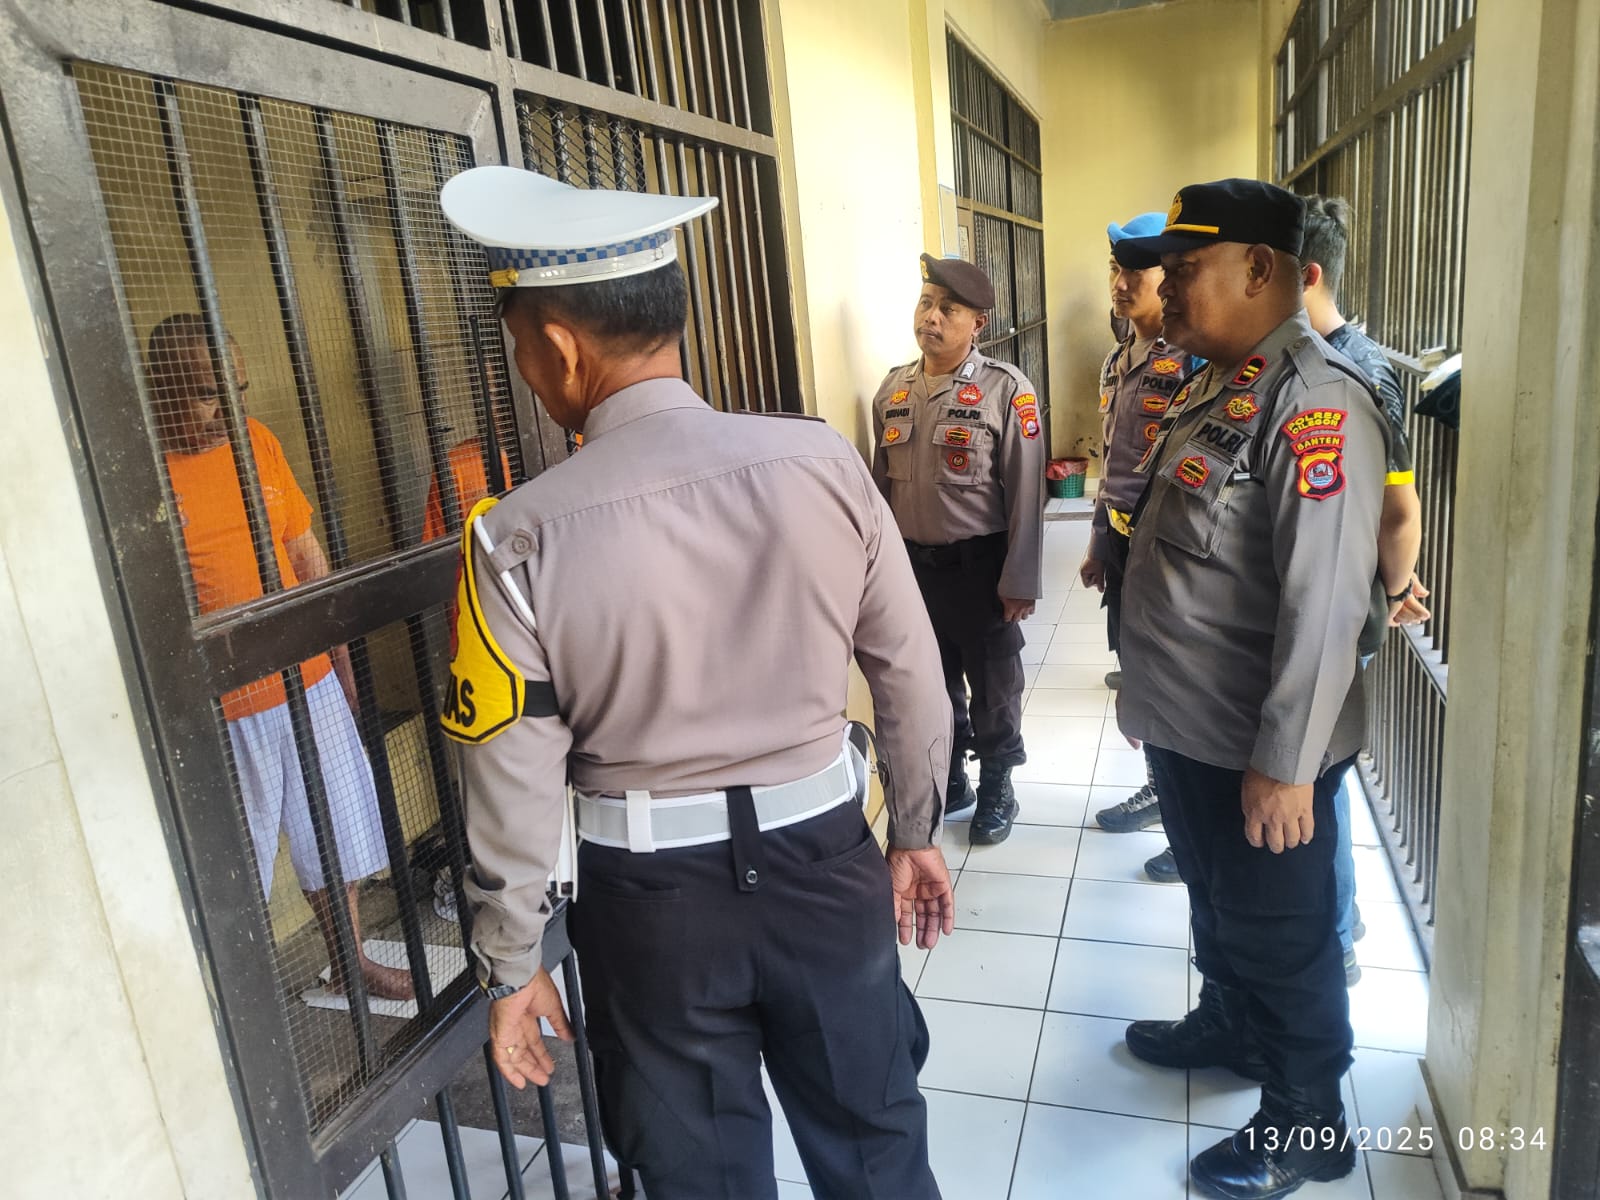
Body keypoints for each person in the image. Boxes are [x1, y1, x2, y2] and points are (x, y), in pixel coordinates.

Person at [437, 165, 956, 1200]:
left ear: (559, 347)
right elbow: (911, 673)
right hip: (826, 867)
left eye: (521, 346)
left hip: (650, 909)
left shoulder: (514, 537)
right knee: (876, 1151)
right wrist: (915, 832)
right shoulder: (822, 462)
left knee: (697, 1177)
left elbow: (511, 774)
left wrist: (511, 961)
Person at [1112, 180, 1388, 1197]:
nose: (1168, 289)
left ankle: (1309, 1123)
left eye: (1186, 270)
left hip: (1259, 749)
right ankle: (1231, 1026)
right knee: (1219, 906)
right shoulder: (1221, 384)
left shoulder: (1314, 405)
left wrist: (1287, 767)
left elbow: (1324, 611)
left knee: (1282, 935)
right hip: (1193, 729)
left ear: (1260, 269)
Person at [146, 314, 414, 1002]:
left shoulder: (257, 441)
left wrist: (341, 658)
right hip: (226, 704)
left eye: (237, 389)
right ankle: (233, 1004)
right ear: (160, 386)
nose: (229, 410)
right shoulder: (140, 474)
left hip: (308, 679)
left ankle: (350, 961)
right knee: (237, 862)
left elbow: (305, 553)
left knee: (336, 830)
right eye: (209, 394)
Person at [1299, 194, 1433, 985]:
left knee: (1322, 770)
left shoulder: (1361, 370)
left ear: (1309, 275)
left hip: (1347, 608)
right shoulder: (1312, 360)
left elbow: (1398, 508)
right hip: (1329, 599)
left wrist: (1394, 588)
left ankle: (1338, 933)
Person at [869, 254, 1047, 845]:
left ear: (979, 324)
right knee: (931, 682)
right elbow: (879, 493)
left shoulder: (1006, 390)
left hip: (982, 569)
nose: (932, 317)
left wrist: (1019, 579)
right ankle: (952, 776)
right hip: (913, 571)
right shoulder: (893, 389)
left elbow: (1026, 492)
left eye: (949, 309)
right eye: (926, 303)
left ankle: (998, 784)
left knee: (994, 686)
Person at [1083, 211, 1203, 844]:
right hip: (1125, 543)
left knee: (1174, 680)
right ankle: (1164, 790)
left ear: (1171, 277)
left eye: (1137, 272)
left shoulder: (1196, 361)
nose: (1122, 283)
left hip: (1172, 550)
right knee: (1138, 671)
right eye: (1116, 269)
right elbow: (1113, 462)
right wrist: (1098, 543)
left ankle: (1184, 812)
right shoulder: (1118, 358)